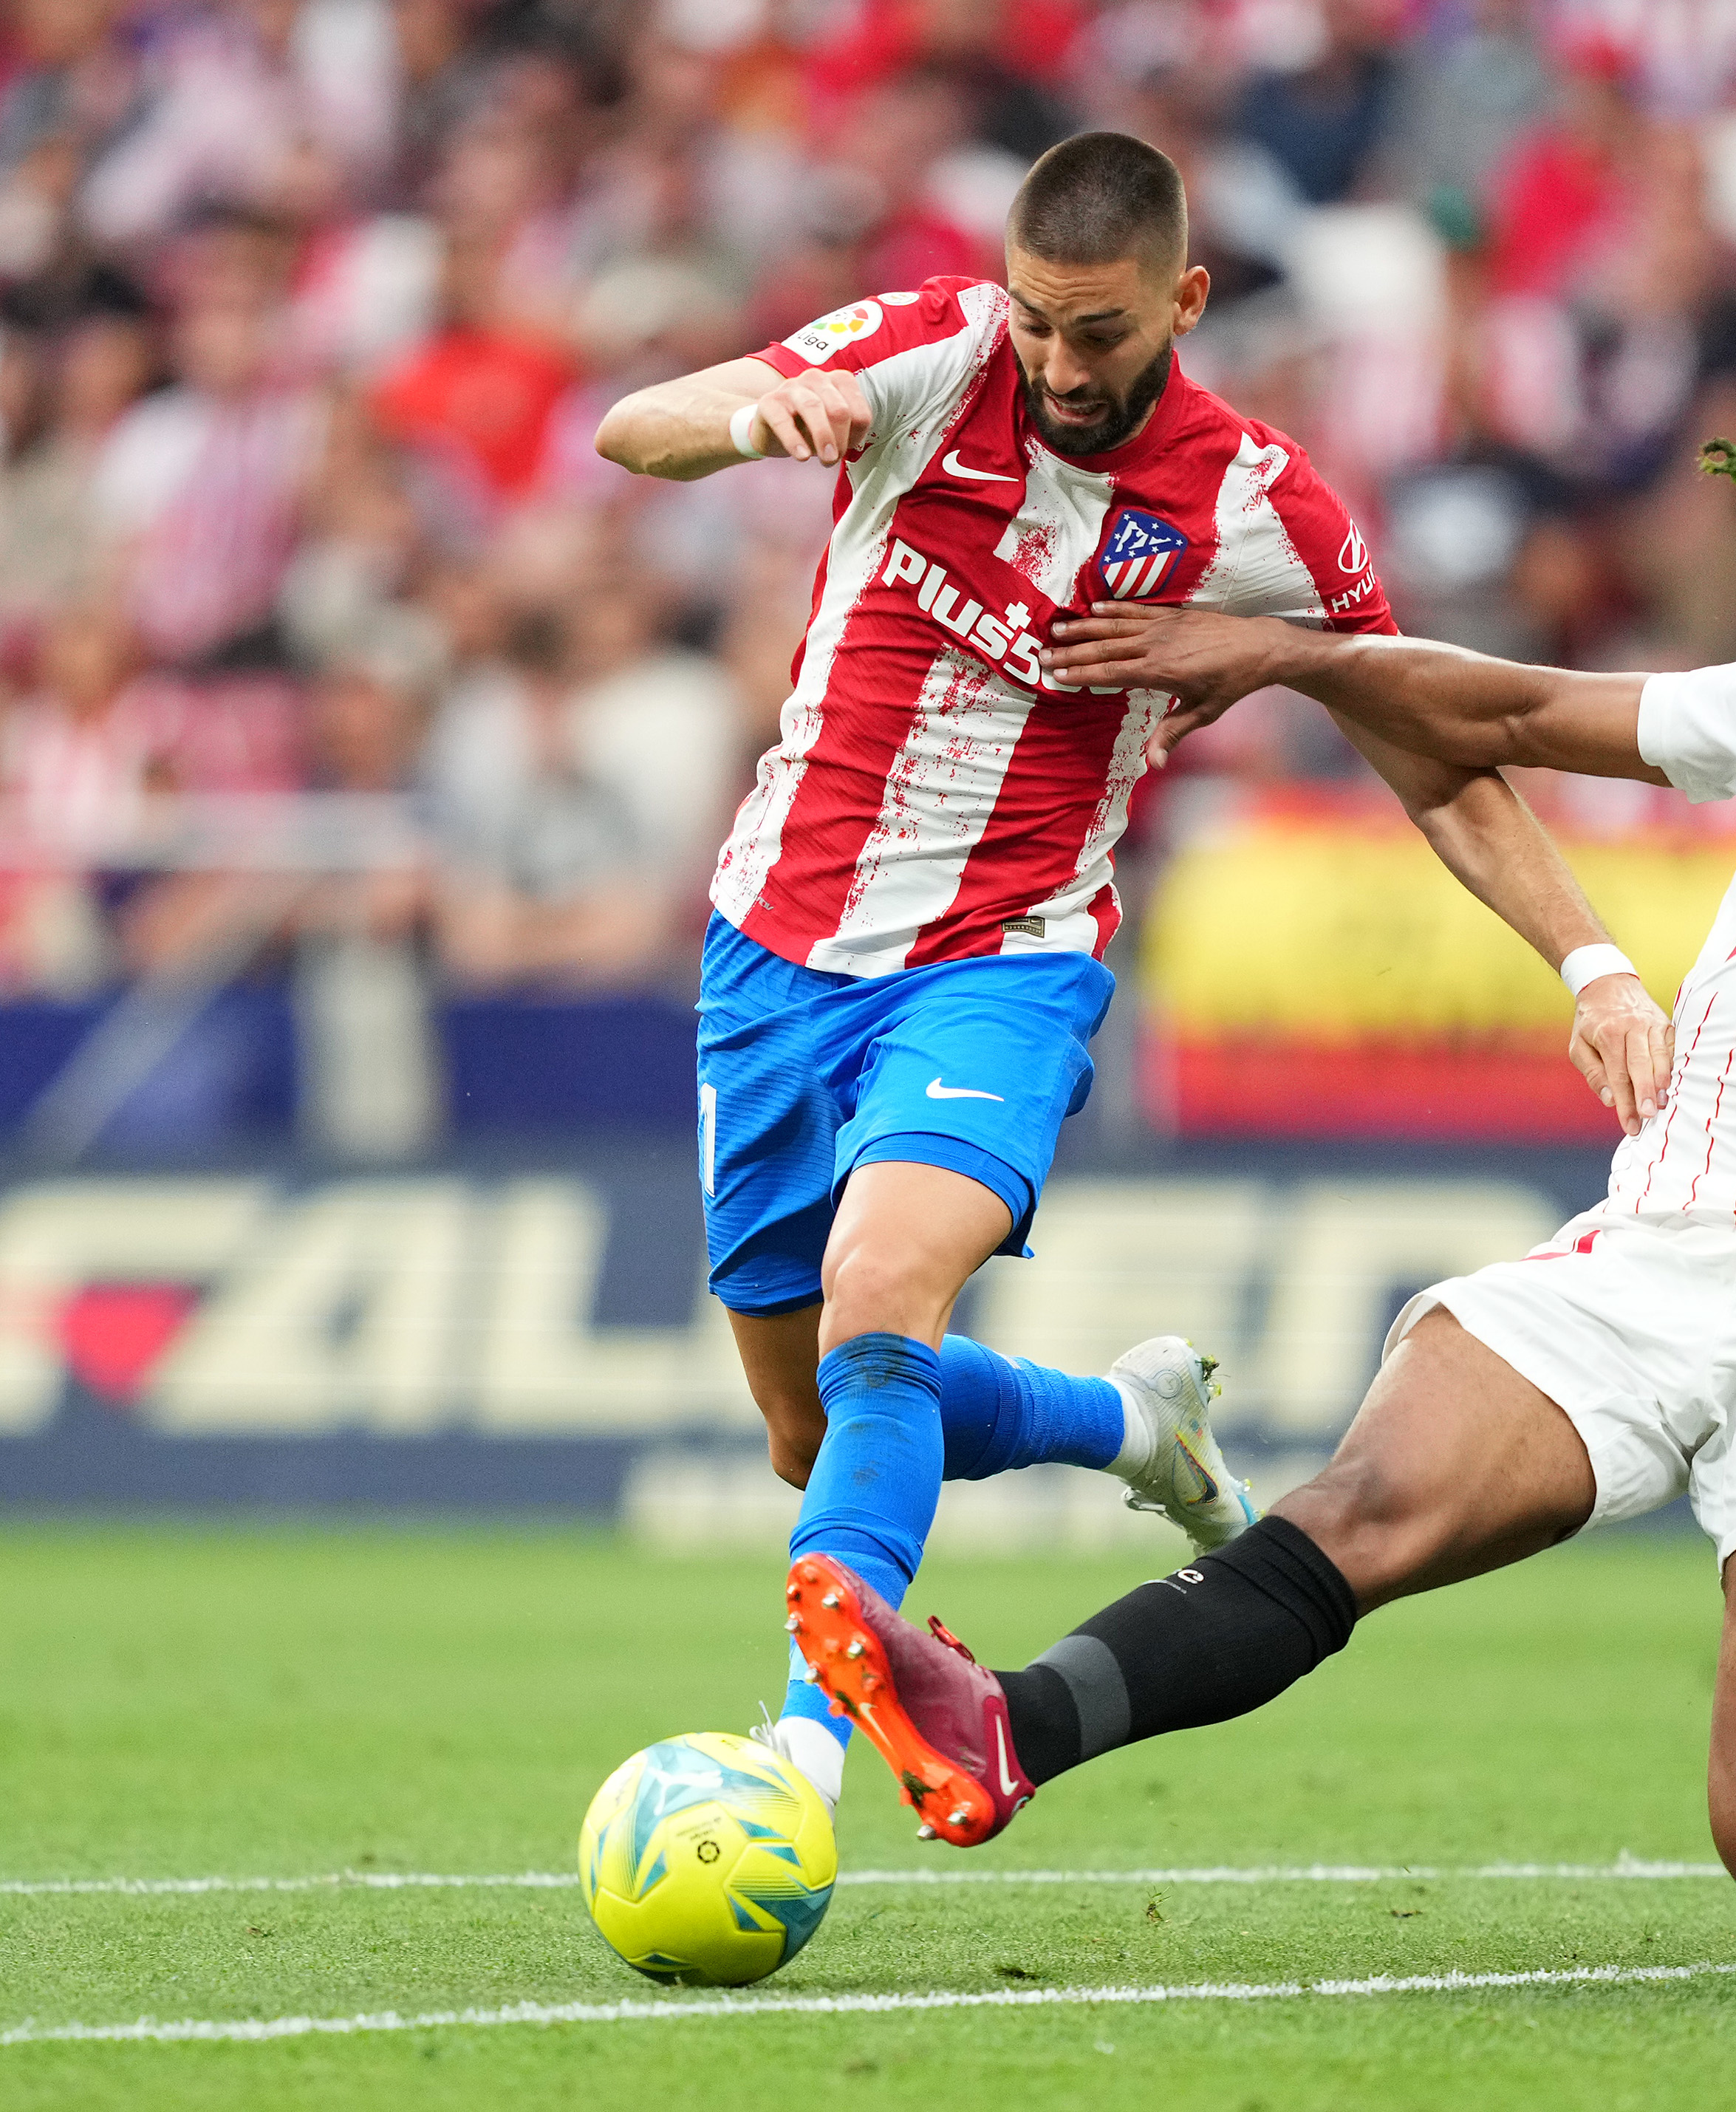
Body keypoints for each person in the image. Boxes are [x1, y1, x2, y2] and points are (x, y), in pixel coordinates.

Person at [788, 436, 1736, 1917]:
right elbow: (1504, 707)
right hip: (1648, 1254)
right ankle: (1011, 1723)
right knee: (1359, 1507)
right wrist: (1284, 652)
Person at [592, 132, 1668, 1815]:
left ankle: (798, 1751)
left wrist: (1593, 961)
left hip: (1002, 959)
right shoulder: (927, 355)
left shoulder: (1258, 508)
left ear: (1184, 300)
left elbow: (1441, 755)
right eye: (1035, 322)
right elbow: (631, 424)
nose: (1055, 363)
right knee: (821, 1432)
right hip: (773, 945)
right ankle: (1125, 1423)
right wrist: (757, 415)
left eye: (1095, 332)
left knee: (887, 1301)